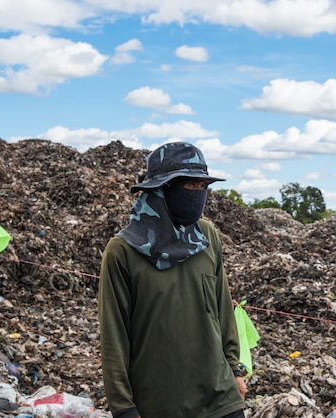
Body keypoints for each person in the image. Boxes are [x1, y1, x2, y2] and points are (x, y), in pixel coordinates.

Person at [98, 142, 247, 418]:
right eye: (188, 186)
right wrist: (123, 407)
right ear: (160, 188)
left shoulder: (207, 237)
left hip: (219, 397)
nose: (197, 194)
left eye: (202, 187)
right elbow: (113, 335)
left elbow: (222, 308)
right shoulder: (122, 252)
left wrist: (235, 370)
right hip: (160, 404)